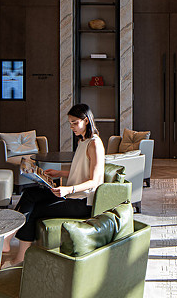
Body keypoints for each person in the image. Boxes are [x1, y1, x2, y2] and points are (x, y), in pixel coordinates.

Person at [6, 103, 105, 265]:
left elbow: (94, 181)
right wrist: (59, 174)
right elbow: (81, 173)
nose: (72, 127)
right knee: (30, 194)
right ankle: (9, 240)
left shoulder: (95, 144)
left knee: (35, 210)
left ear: (86, 121)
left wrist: (68, 189)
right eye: (70, 123)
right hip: (73, 195)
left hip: (82, 202)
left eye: (75, 123)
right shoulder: (82, 142)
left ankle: (19, 256)